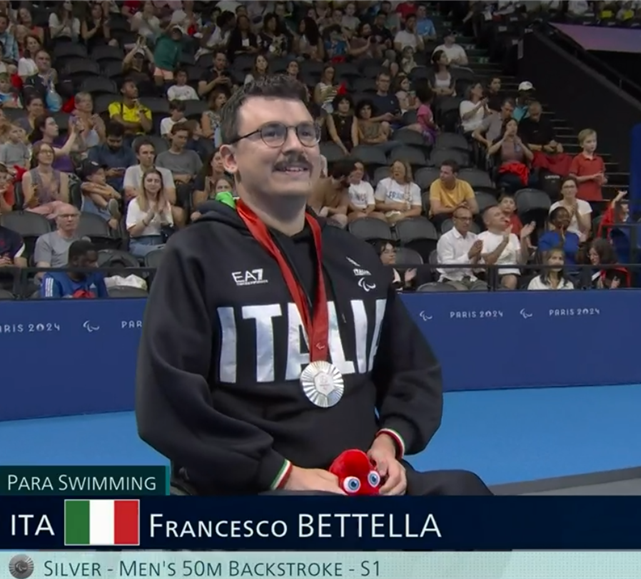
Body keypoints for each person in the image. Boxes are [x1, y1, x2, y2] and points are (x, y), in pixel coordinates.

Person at [136, 75, 491, 497]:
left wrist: (389, 442)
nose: (295, 146)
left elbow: (413, 369)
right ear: (229, 159)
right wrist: (282, 474)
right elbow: (168, 404)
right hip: (252, 488)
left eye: (305, 133)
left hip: (358, 481)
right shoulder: (196, 255)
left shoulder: (355, 255)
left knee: (465, 493)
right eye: (271, 133)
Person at [40, 240, 108, 298]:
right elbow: (49, 307)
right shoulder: (52, 278)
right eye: (90, 262)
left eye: (95, 261)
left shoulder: (96, 275)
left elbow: (105, 304)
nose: (95, 266)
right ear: (75, 260)